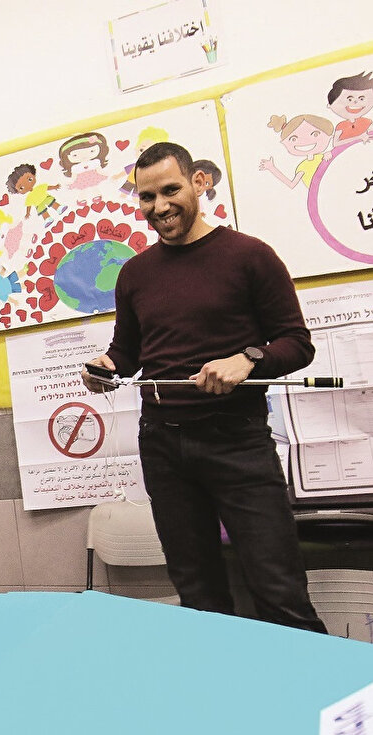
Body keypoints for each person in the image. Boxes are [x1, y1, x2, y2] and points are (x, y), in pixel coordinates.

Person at [82, 141, 326, 634]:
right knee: (198, 597)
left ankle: (316, 706)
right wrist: (106, 366)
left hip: (237, 442)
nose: (160, 207)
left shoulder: (250, 256)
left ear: (198, 182)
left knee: (278, 593)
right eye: (147, 197)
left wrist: (248, 359)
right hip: (164, 447)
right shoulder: (134, 274)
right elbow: (127, 352)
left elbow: (297, 344)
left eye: (170, 190)